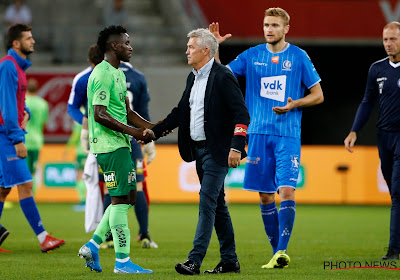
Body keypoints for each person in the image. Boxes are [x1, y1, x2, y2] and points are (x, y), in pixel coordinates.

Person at [210, 7, 324, 269]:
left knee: (286, 189)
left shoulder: (298, 56)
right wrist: (215, 47)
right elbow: (219, 75)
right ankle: (277, 254)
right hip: (257, 134)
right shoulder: (252, 55)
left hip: (287, 135)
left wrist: (294, 105)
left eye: (274, 25)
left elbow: (318, 95)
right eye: (266, 25)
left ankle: (282, 249)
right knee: (264, 197)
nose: (269, 29)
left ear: (286, 28)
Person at [148, 28, 250, 275]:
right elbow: (181, 112)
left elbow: (241, 113)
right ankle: (229, 260)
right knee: (218, 206)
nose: (186, 51)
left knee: (206, 202)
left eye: (191, 47)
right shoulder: (192, 78)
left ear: (206, 50)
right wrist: (155, 131)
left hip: (219, 152)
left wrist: (236, 147)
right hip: (200, 151)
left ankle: (195, 260)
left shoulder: (223, 76)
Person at [77, 25, 154, 274]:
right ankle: (122, 262)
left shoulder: (119, 74)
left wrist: (153, 128)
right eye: (126, 43)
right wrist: (135, 133)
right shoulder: (102, 74)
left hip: (120, 144)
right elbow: (99, 114)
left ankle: (93, 245)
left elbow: (129, 113)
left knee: (128, 198)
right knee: (120, 200)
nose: (131, 47)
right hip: (110, 146)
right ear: (114, 46)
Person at [0, 24, 65, 253]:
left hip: (7, 134)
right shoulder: (8, 66)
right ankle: (44, 237)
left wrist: (24, 112)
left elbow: (16, 102)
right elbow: (6, 104)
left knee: (3, 189)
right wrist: (17, 138)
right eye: (28, 38)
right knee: (26, 184)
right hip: (6, 137)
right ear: (15, 43)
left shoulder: (17, 67)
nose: (33, 41)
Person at [344, 21, 400, 260]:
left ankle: (394, 250)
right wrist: (354, 130)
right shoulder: (377, 69)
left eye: (393, 39)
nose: (388, 44)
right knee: (394, 192)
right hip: (383, 136)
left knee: (397, 193)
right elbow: (368, 102)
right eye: (385, 39)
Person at [25, 78, 49, 193]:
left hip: (22, 141)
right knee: (33, 171)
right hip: (36, 141)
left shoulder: (21, 102)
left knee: (24, 171)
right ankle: (31, 196)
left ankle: (23, 196)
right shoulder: (43, 104)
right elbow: (43, 123)